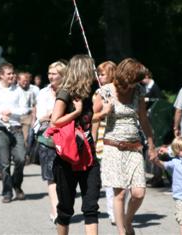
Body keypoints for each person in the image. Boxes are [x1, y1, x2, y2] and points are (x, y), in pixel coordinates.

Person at [95, 58, 156, 235]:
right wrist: (103, 113)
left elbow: (143, 119)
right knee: (119, 193)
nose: (135, 85)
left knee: (138, 193)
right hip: (113, 146)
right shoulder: (105, 91)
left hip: (134, 147)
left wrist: (151, 144)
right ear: (125, 77)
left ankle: (128, 222)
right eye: (133, 81)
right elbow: (92, 118)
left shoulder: (138, 91)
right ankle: (121, 232)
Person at [50, 54, 101, 235]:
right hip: (68, 159)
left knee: (91, 207)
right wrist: (76, 111)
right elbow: (55, 122)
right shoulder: (65, 93)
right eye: (91, 69)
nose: (94, 73)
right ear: (83, 71)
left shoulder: (91, 93)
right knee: (65, 209)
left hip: (88, 157)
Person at [0, 62, 30, 203]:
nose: (12, 76)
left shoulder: (18, 90)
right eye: (9, 74)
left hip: (15, 127)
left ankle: (17, 184)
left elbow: (25, 109)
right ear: (1, 75)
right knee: (4, 163)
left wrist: (12, 112)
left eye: (13, 73)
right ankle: (7, 191)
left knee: (21, 158)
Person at [35, 61, 67, 223]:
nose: (51, 76)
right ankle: (56, 211)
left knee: (65, 176)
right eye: (50, 73)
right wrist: (55, 115)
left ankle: (63, 206)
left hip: (67, 138)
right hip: (47, 138)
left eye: (55, 73)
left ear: (63, 75)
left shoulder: (70, 92)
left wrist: (54, 115)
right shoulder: (43, 93)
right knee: (51, 176)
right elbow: (41, 116)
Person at [91, 60, 117, 225]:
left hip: (119, 136)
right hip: (103, 136)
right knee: (110, 177)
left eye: (103, 74)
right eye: (98, 74)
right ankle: (112, 211)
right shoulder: (98, 93)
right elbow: (94, 115)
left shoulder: (121, 90)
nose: (99, 77)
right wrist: (92, 139)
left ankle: (120, 208)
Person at [141, 68, 166, 188]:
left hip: (155, 122)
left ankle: (158, 177)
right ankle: (155, 176)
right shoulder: (146, 88)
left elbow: (159, 103)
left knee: (155, 147)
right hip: (149, 120)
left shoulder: (154, 88)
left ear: (147, 76)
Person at [17, 72, 36, 154]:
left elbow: (34, 106)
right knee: (16, 138)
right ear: (18, 80)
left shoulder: (31, 91)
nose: (25, 82)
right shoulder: (14, 90)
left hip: (27, 117)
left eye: (27, 81)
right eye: (23, 81)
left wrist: (33, 119)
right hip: (16, 117)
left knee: (25, 138)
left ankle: (23, 155)